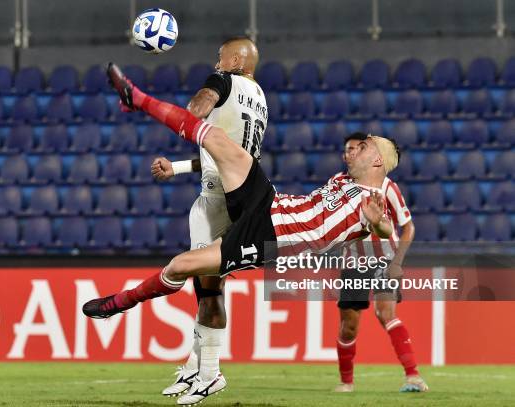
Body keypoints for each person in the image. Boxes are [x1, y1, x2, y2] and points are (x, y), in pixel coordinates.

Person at [83, 63, 396, 403]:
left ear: (378, 162)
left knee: (180, 267)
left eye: (363, 147)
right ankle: (137, 98)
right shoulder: (342, 180)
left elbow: (383, 228)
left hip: (270, 238)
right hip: (270, 201)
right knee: (216, 138)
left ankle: (122, 303)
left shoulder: (374, 200)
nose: (353, 149)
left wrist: (379, 224)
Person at [150, 37, 267, 404]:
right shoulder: (261, 99)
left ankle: (210, 373)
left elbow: (197, 106)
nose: (217, 63)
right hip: (238, 198)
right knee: (210, 286)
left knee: (208, 288)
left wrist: (193, 110)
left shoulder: (225, 81)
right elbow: (230, 157)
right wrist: (180, 166)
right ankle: (196, 365)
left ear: (235, 59)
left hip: (214, 202)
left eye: (220, 57)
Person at [332, 133, 428, 393]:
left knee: (386, 314)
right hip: (353, 263)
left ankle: (414, 377)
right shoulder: (337, 183)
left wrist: (398, 262)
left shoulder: (388, 187)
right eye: (347, 150)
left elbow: (408, 227)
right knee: (349, 326)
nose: (350, 153)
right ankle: (346, 382)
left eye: (356, 148)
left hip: (385, 259)